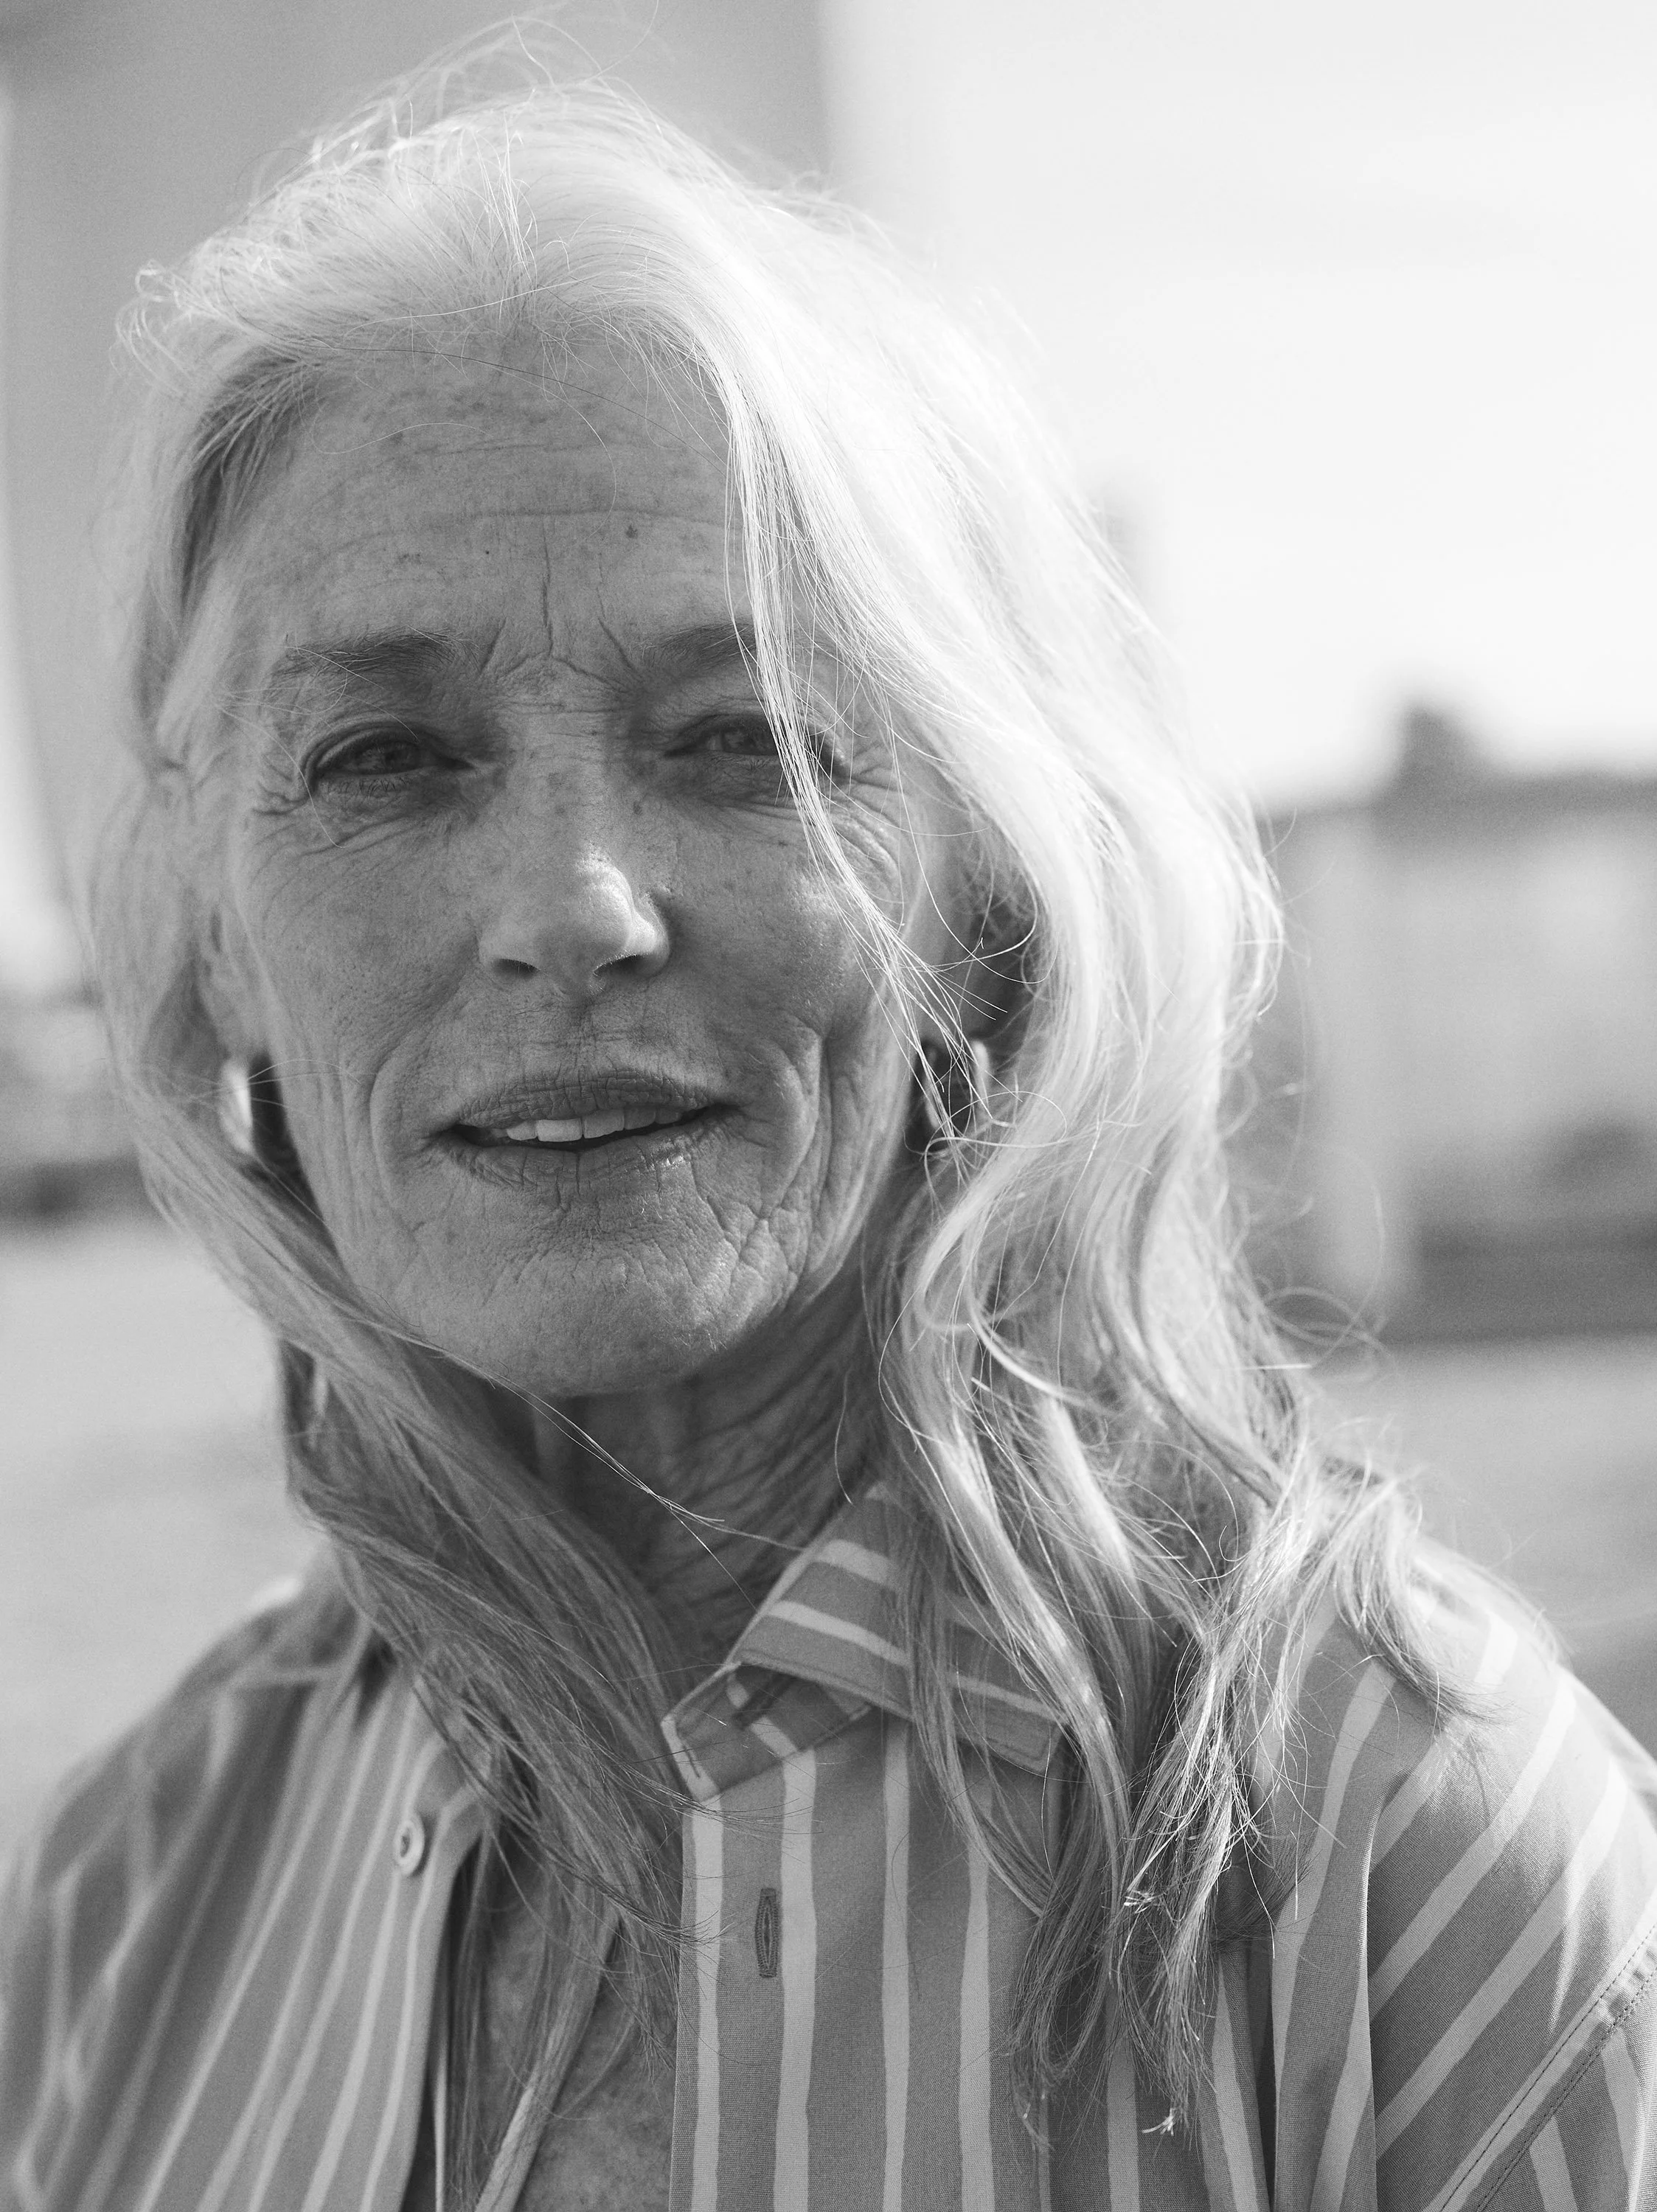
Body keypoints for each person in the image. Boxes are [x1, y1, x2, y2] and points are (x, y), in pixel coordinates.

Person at [3, 49, 1655, 2212]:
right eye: (386, 757)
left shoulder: (1402, 1869)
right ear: (204, 925)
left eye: (748, 738)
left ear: (988, 893)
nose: (570, 909)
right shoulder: (150, 1871)